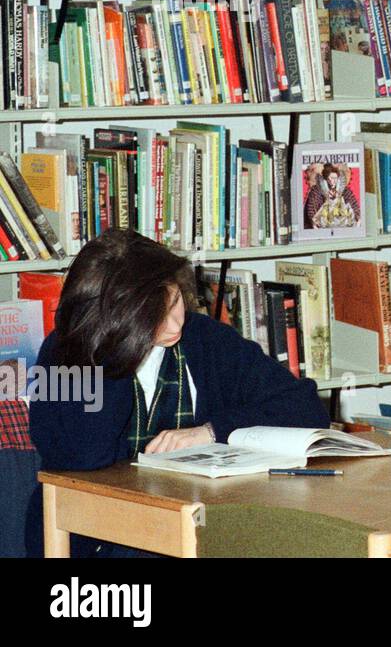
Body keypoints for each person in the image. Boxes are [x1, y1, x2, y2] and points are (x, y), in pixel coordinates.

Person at [27, 229, 329, 556]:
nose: (175, 326)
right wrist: (115, 352)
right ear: (116, 319)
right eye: (153, 318)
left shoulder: (205, 340)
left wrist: (211, 432)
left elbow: (305, 407)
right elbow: (83, 457)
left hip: (193, 526)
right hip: (93, 539)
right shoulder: (63, 355)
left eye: (175, 303)